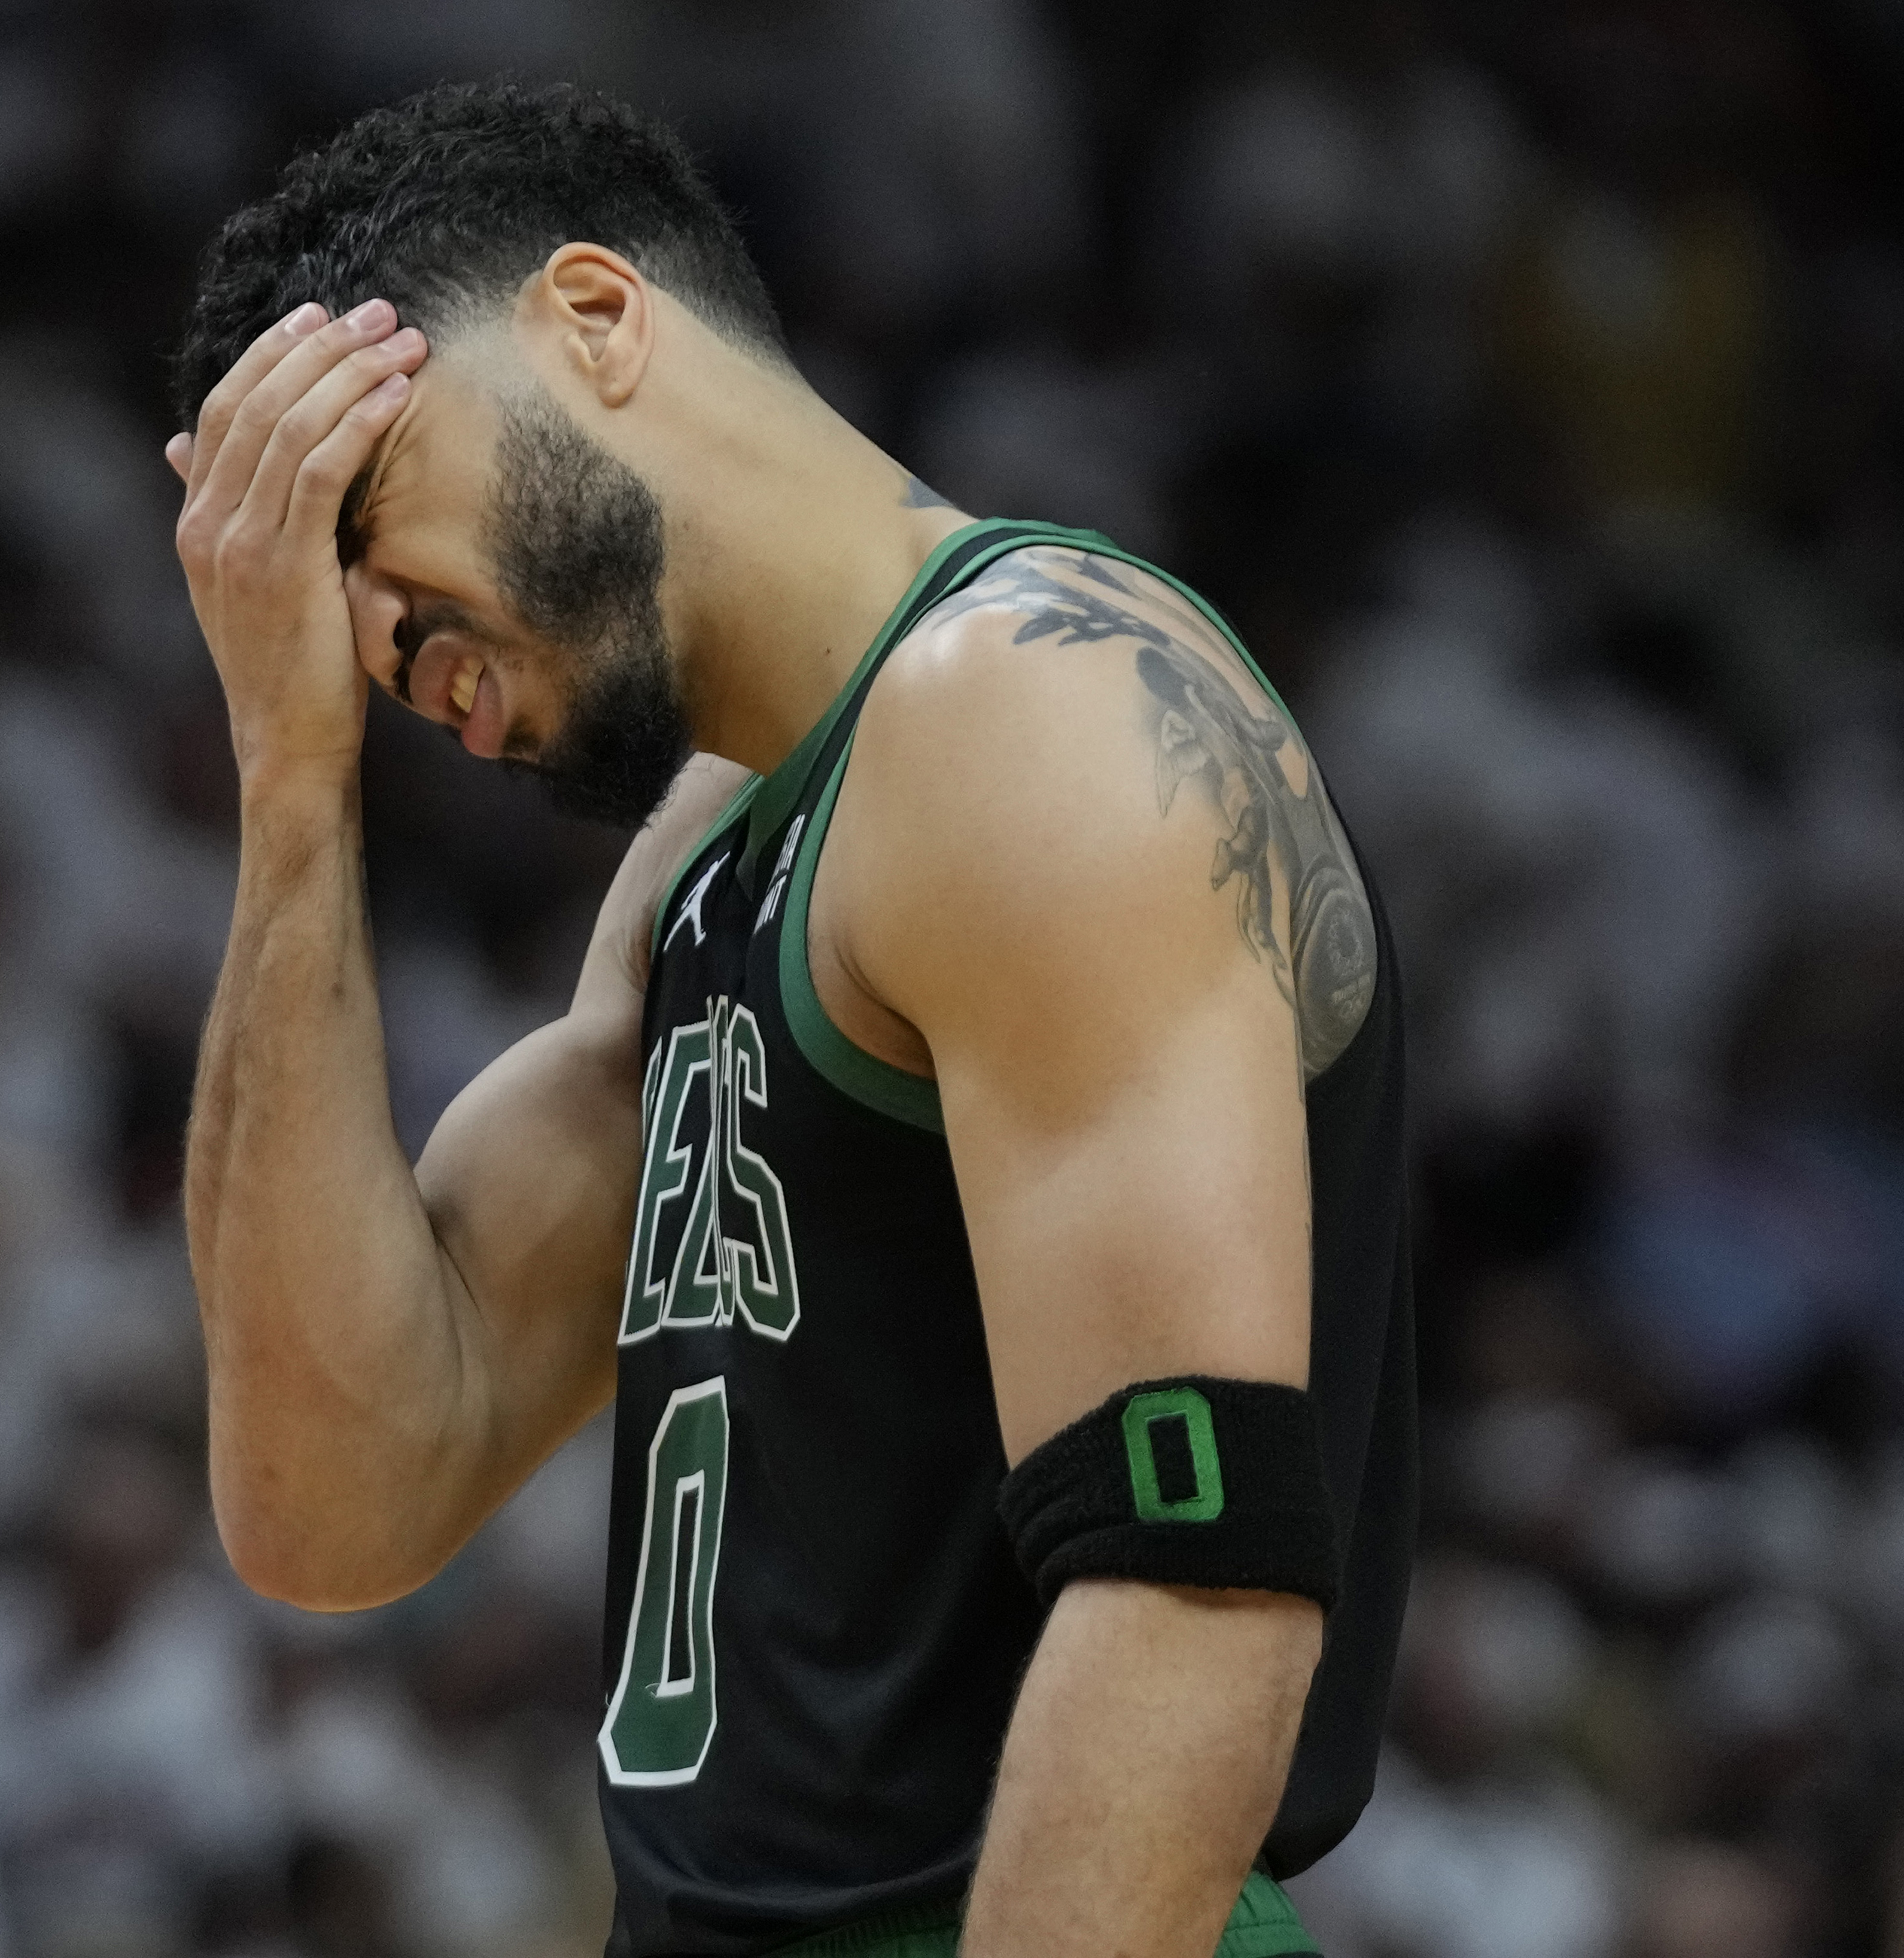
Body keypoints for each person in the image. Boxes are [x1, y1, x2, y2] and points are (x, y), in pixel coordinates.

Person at [164, 83, 1415, 1958]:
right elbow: (329, 1499)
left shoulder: (1038, 710)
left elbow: (1193, 1588)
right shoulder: (714, 846)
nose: (363, 634)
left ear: (593, 319)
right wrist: (288, 781)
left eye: (359, 501)